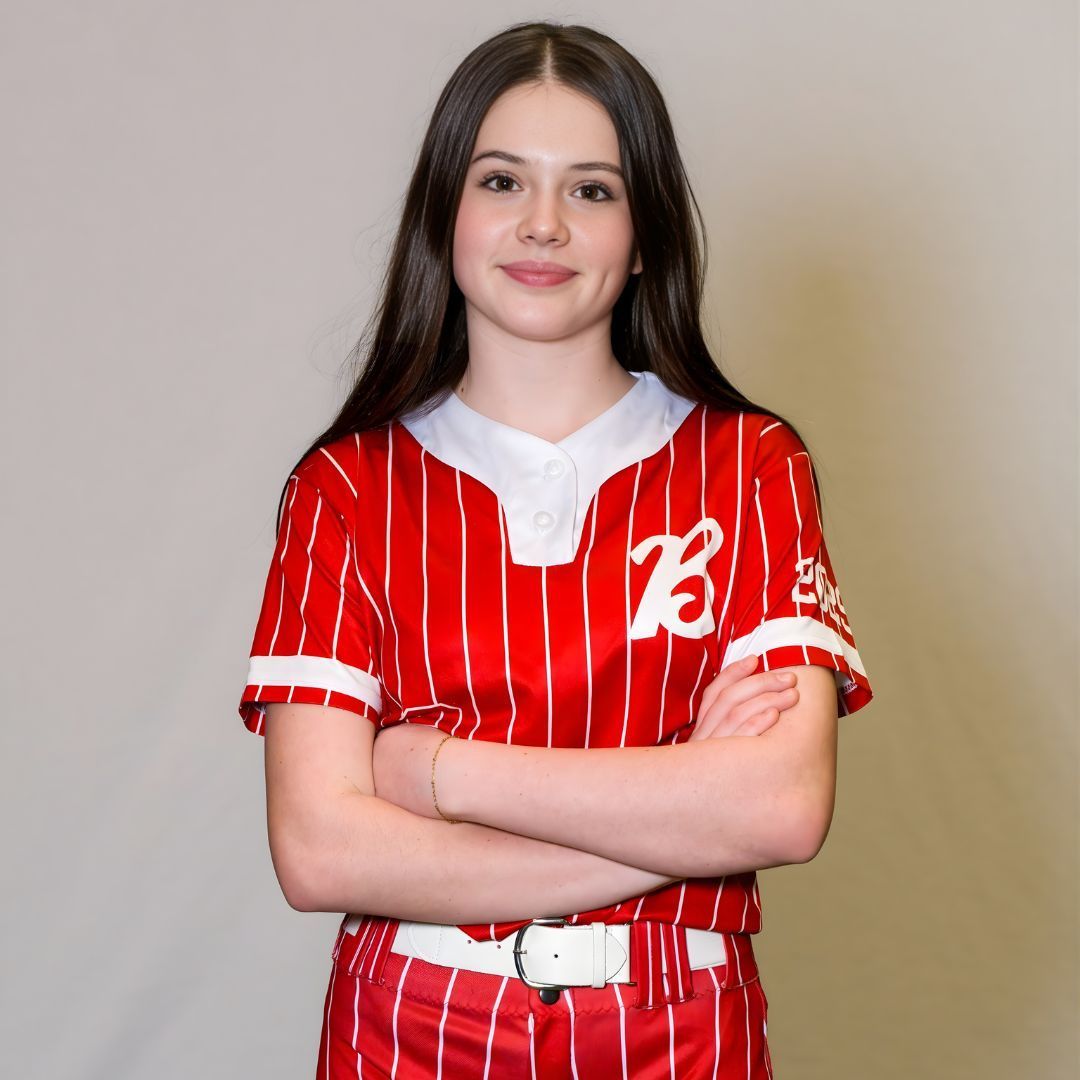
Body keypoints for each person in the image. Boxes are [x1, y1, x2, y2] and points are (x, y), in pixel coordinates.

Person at [237, 19, 873, 1079]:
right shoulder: (345, 489)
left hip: (681, 1028)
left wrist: (433, 771)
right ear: (443, 212)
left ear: (645, 232)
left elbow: (782, 808)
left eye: (591, 189)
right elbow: (319, 852)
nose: (542, 225)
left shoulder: (750, 464)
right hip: (411, 1027)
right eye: (500, 182)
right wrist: (680, 805)